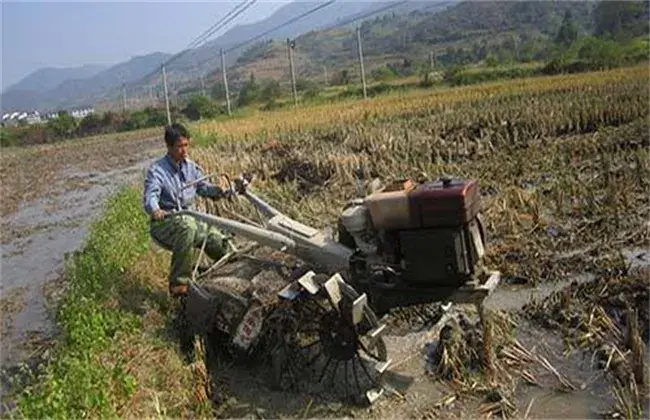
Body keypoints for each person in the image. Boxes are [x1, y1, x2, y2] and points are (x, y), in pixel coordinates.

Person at [143, 123, 232, 296]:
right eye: (179, 147)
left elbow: (203, 187)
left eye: (186, 145)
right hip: (165, 222)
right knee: (188, 226)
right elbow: (150, 196)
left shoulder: (191, 167)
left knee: (220, 243)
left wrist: (220, 191)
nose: (184, 151)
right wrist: (155, 210)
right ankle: (178, 284)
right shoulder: (157, 171)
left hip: (191, 217)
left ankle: (227, 270)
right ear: (169, 147)